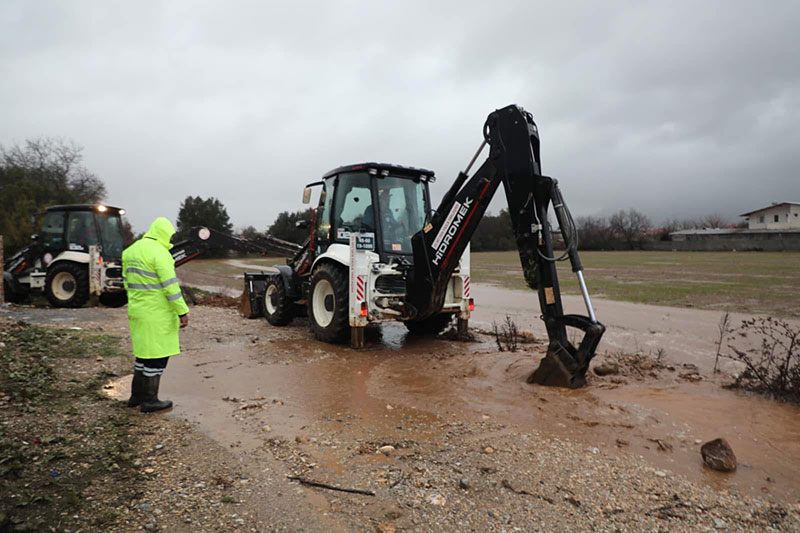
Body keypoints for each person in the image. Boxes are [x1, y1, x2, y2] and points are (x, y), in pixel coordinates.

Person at [122, 217, 189, 413]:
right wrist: (182, 311)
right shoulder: (161, 254)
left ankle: (136, 396)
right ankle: (150, 400)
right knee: (157, 358)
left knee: (143, 355)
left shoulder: (130, 251)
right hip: (156, 313)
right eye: (170, 235)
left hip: (137, 310)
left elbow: (126, 283)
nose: (171, 239)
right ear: (163, 233)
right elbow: (171, 288)